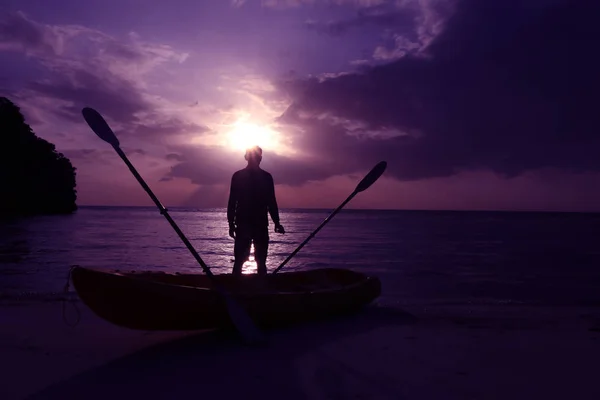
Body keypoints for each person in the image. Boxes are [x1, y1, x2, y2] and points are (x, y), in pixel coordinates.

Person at [227, 145, 285, 276]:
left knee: (248, 261)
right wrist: (276, 222)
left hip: (249, 223)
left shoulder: (240, 176)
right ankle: (253, 286)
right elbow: (271, 202)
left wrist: (230, 223)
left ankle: (241, 287)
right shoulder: (264, 177)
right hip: (251, 224)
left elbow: (232, 202)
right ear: (261, 158)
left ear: (246, 157)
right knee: (257, 261)